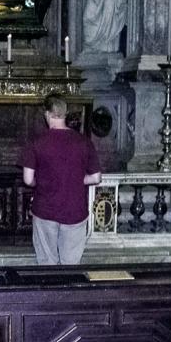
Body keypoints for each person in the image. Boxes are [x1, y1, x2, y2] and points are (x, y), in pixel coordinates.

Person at [21, 93, 102, 265]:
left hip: (45, 210)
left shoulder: (36, 142)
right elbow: (96, 177)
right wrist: (75, 180)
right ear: (65, 114)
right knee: (70, 265)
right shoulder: (83, 142)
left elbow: (28, 180)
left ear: (47, 114)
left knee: (46, 263)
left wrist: (41, 181)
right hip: (75, 210)